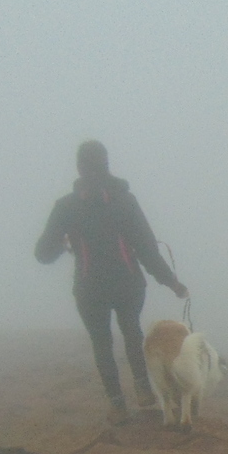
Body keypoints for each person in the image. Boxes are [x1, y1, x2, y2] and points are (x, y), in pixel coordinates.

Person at [36, 140, 188, 422]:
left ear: (79, 167)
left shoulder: (66, 207)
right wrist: (172, 282)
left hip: (90, 287)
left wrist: (62, 243)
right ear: (106, 164)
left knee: (102, 343)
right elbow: (146, 248)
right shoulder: (124, 201)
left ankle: (118, 404)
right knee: (132, 333)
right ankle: (142, 390)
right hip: (127, 283)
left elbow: (42, 254)